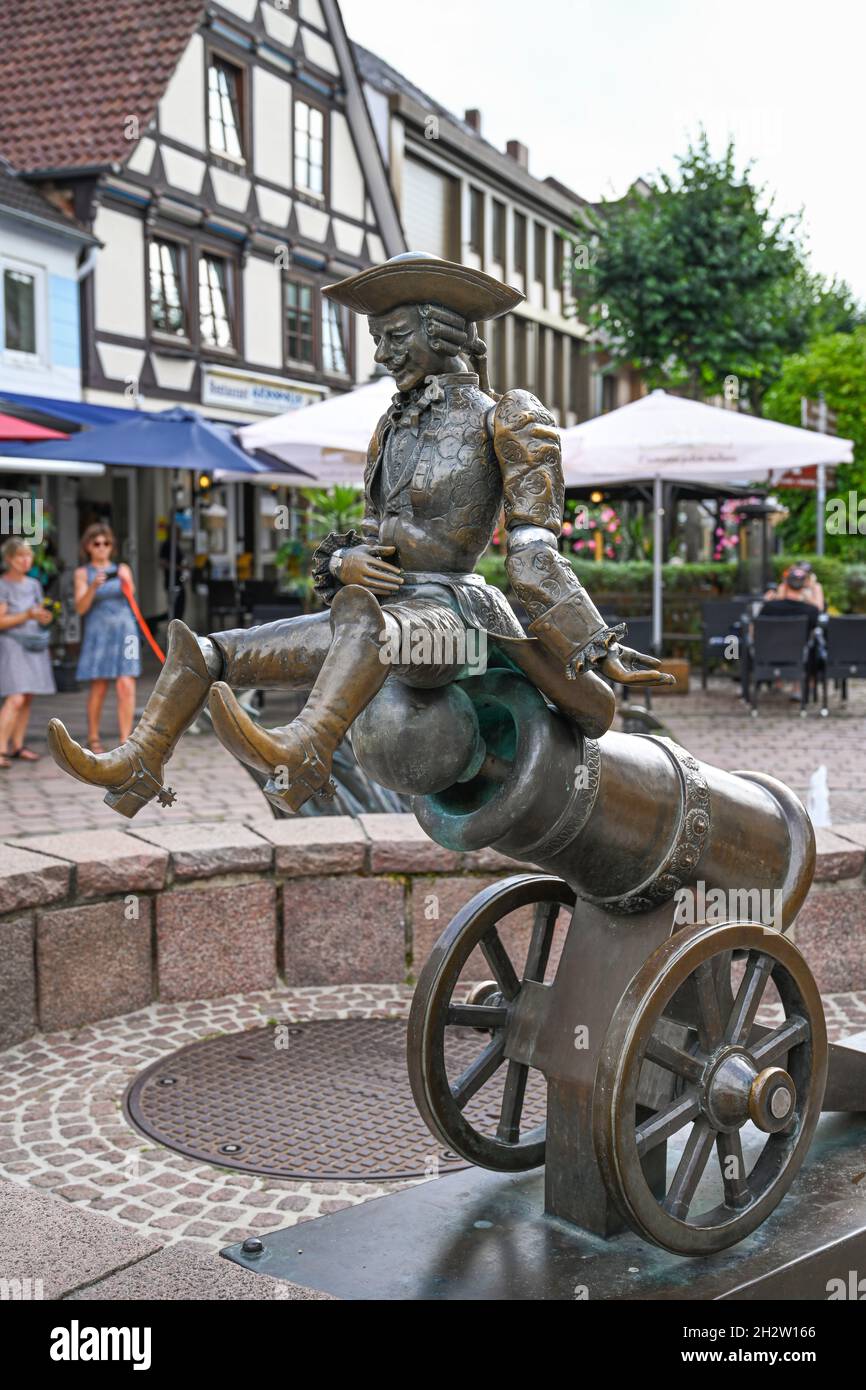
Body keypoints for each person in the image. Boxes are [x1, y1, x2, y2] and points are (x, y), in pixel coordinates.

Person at [47, 252, 672, 820]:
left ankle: (305, 753)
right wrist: (345, 559)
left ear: (444, 332)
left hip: (454, 617)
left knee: (363, 626)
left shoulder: (507, 418)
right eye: (378, 340)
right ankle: (138, 764)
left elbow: (533, 551)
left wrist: (590, 644)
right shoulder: (390, 427)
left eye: (395, 338)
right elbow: (370, 532)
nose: (381, 356)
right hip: (376, 615)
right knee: (206, 649)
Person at [73, 523, 141, 752]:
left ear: (112, 546)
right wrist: (93, 586)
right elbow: (80, 608)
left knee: (126, 683)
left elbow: (132, 598)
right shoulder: (82, 573)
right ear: (88, 546)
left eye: (106, 543)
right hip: (98, 632)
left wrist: (125, 581)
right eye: (97, 543)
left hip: (125, 630)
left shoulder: (122, 568)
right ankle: (93, 737)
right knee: (99, 685)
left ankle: (125, 739)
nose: (102, 548)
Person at [0, 537, 56, 768]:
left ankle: (18, 745)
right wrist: (28, 616)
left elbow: (39, 612)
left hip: (33, 643)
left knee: (28, 697)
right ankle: (1, 747)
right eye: (21, 556)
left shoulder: (33, 584)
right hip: (13, 645)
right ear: (9, 559)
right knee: (15, 697)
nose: (26, 560)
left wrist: (46, 617)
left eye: (28, 556)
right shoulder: (2, 585)